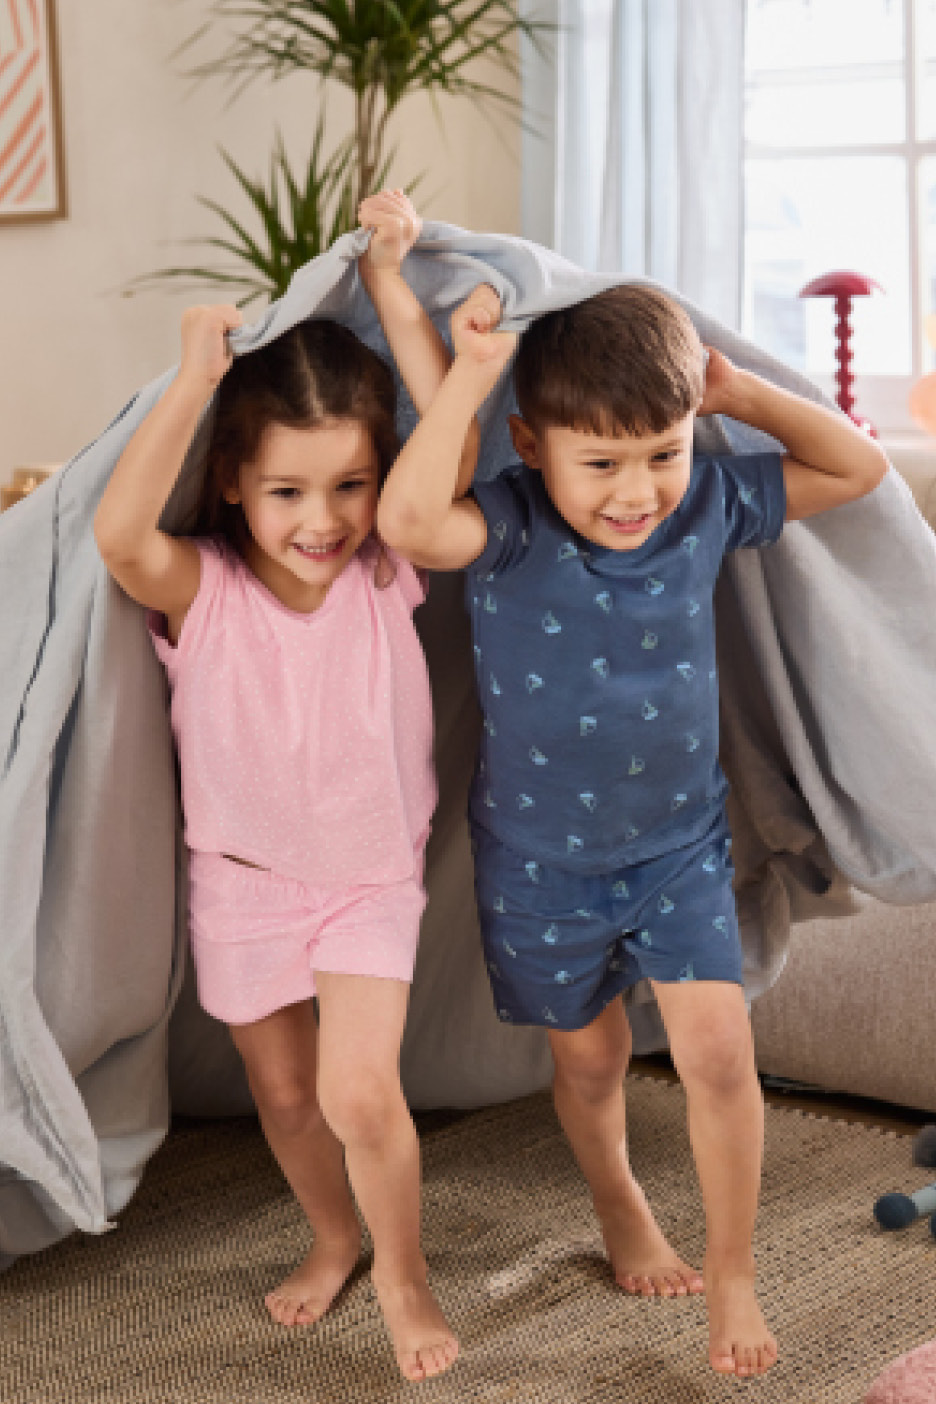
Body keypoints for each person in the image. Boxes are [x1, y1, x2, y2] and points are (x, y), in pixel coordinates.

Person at [376, 279, 889, 1378]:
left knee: (717, 1050)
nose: (638, 490)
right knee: (595, 1062)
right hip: (541, 867)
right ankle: (619, 1203)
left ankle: (735, 1271)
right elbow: (411, 521)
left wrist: (736, 393)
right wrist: (465, 373)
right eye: (600, 463)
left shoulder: (706, 503)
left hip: (679, 852)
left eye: (661, 452)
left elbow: (858, 469)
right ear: (531, 443)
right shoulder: (508, 518)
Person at [93, 191, 463, 1384]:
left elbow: (446, 436)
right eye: (290, 492)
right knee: (289, 1100)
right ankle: (336, 1238)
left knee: (360, 1092)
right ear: (236, 486)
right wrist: (193, 379)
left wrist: (398, 276)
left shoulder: (388, 566)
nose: (325, 520)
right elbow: (113, 536)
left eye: (350, 486)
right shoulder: (199, 588)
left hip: (365, 879)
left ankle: (406, 1278)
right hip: (243, 885)